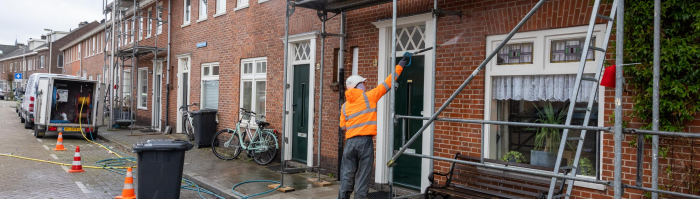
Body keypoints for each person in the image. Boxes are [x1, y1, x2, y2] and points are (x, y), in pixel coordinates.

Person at [338, 52, 411, 199]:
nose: (365, 84)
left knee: (347, 175)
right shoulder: (369, 96)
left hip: (350, 144)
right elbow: (388, 83)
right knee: (363, 178)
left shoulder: (345, 106)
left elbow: (342, 126)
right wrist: (401, 64)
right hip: (365, 143)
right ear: (358, 86)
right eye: (363, 83)